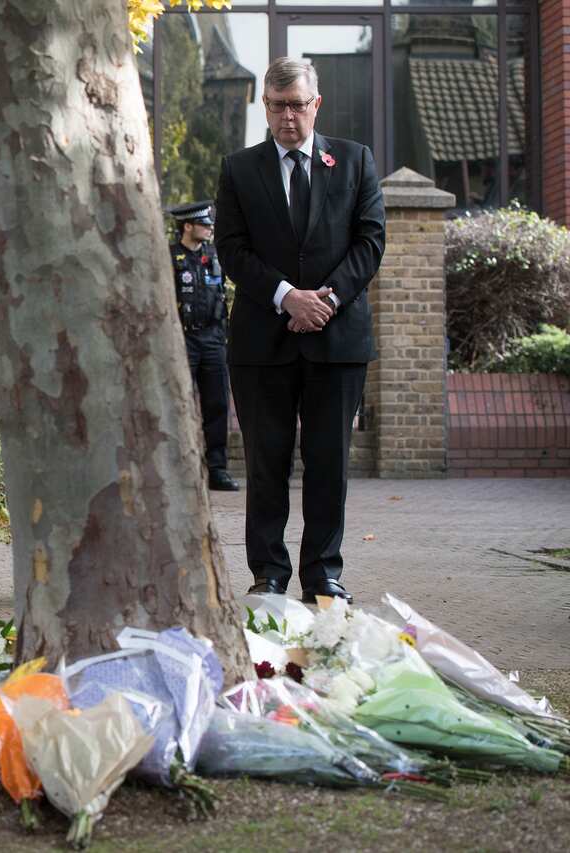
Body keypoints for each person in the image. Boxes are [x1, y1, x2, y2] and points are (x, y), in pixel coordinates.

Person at [214, 57, 386, 604]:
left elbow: (370, 241)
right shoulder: (239, 169)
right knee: (266, 463)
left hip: (337, 341)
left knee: (329, 463)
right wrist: (287, 295)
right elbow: (231, 249)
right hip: (263, 343)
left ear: (317, 104)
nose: (287, 116)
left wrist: (326, 299)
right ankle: (268, 573)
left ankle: (323, 575)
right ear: (264, 107)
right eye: (276, 106)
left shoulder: (355, 160)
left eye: (296, 105)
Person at [167, 200, 238, 493]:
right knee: (178, 403)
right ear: (187, 226)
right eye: (204, 224)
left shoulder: (215, 256)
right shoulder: (170, 257)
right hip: (183, 339)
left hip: (212, 340)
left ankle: (217, 469)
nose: (209, 229)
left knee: (217, 404)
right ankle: (177, 469)